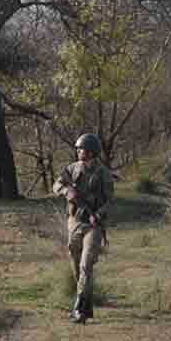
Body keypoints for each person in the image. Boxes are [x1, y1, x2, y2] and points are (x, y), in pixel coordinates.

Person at [52, 133, 114, 324]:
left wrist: (99, 216)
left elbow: (110, 202)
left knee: (86, 264)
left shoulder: (103, 173)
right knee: (75, 260)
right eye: (78, 149)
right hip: (74, 222)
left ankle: (79, 308)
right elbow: (57, 184)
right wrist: (66, 191)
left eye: (83, 149)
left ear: (92, 152)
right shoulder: (72, 168)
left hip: (93, 225)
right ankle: (86, 304)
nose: (79, 152)